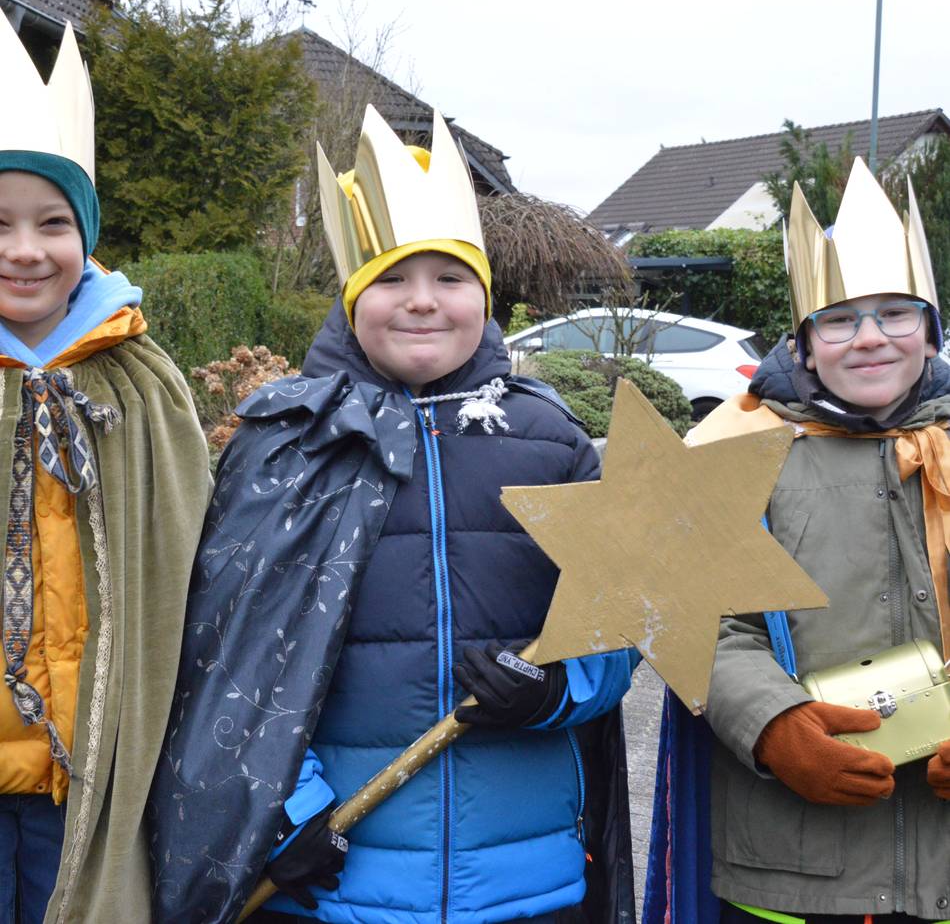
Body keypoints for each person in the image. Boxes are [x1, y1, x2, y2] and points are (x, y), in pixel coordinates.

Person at [149, 105, 638, 923]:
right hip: (341, 881)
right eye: (391, 280)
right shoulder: (287, 442)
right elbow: (229, 663)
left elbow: (625, 627)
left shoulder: (551, 439)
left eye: (450, 279)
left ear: (484, 296)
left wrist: (557, 688)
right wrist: (292, 814)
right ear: (350, 300)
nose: (422, 303)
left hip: (525, 883)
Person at [644, 157, 950, 924]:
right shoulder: (736, 447)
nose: (871, 338)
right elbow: (694, 616)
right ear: (806, 343)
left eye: (896, 313)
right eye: (841, 320)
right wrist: (774, 726)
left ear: (931, 329)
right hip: (793, 862)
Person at [0, 18, 210, 923]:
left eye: (54, 223)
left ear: (86, 236)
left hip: (91, 773)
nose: (25, 250)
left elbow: (186, 562)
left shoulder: (141, 382)